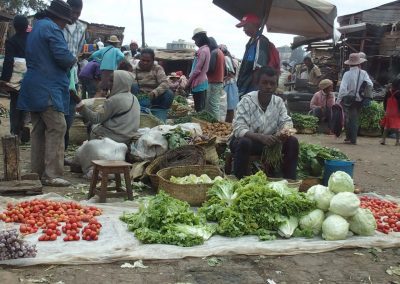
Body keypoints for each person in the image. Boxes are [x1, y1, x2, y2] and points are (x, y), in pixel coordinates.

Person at [17, 0, 76, 187]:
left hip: (34, 85)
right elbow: (62, 56)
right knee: (58, 127)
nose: (65, 25)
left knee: (39, 129)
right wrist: (73, 59)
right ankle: (52, 174)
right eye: (65, 21)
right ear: (59, 18)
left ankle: (36, 172)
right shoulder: (52, 28)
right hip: (47, 86)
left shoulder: (37, 27)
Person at [230, 66, 299, 179]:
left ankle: (289, 180)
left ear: (276, 85)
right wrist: (260, 137)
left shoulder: (278, 102)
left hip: (269, 143)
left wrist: (282, 133)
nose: (268, 87)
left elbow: (287, 122)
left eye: (272, 84)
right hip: (248, 143)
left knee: (292, 141)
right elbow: (238, 128)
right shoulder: (247, 100)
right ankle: (240, 180)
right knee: (244, 142)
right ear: (258, 83)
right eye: (264, 83)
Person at [76, 70, 140, 144]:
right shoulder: (134, 98)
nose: (109, 83)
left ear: (119, 83)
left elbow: (96, 118)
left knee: (92, 125)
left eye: (112, 81)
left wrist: (81, 107)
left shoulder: (114, 100)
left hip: (113, 137)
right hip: (128, 136)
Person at [235, 14, 280, 98]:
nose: (244, 29)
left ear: (254, 25)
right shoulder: (252, 41)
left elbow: (259, 68)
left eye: (245, 26)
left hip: (252, 87)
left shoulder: (261, 41)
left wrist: (255, 93)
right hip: (245, 85)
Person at [0, 15, 29, 141]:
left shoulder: (11, 41)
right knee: (25, 105)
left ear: (14, 27)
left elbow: (8, 61)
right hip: (30, 77)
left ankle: (14, 133)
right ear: (27, 26)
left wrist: (4, 79)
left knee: (15, 104)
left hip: (15, 80)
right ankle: (23, 128)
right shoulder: (31, 40)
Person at [63, 0, 86, 153]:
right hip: (58, 76)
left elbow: (78, 52)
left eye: (78, 13)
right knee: (57, 118)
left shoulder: (81, 28)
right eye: (73, 12)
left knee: (68, 117)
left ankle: (62, 152)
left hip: (72, 78)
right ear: (66, 9)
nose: (76, 16)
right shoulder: (57, 26)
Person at [338, 53, 373, 145]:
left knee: (349, 119)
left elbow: (342, 89)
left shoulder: (347, 74)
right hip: (360, 100)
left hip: (349, 100)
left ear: (349, 64)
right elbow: (370, 84)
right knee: (354, 118)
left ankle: (351, 139)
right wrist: (364, 94)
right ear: (359, 63)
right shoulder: (363, 73)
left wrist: (338, 100)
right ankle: (350, 138)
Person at [186, 28, 210, 112]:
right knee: (200, 107)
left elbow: (197, 70)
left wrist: (188, 83)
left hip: (199, 83)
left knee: (198, 108)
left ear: (200, 38)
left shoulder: (202, 51)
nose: (195, 42)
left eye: (195, 39)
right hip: (202, 82)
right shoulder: (206, 49)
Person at [205, 37, 225, 120]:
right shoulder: (220, 52)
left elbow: (211, 68)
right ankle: (214, 123)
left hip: (213, 82)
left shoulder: (214, 52)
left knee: (212, 106)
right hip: (219, 82)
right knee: (214, 105)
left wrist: (203, 71)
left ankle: (216, 125)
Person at [219, 44, 239, 123]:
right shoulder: (228, 58)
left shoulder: (226, 58)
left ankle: (228, 124)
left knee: (229, 107)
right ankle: (228, 123)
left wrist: (222, 80)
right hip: (230, 84)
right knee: (228, 106)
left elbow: (231, 73)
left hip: (229, 84)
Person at [380, 76, 400, 146]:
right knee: (397, 127)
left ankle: (383, 140)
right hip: (396, 113)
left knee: (386, 126)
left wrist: (385, 110)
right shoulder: (398, 93)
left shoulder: (388, 92)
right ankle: (397, 141)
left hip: (388, 112)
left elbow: (384, 102)